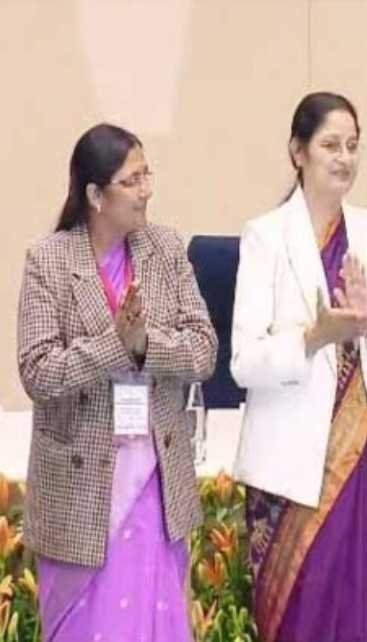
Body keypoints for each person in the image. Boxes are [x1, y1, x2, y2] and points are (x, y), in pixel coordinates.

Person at [230, 92, 367, 642]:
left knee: (358, 611)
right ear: (298, 152)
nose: (344, 158)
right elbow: (243, 361)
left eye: (352, 146)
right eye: (330, 146)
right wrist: (313, 338)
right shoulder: (266, 236)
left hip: (362, 460)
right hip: (290, 470)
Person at [17, 123, 218, 640]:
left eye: (147, 175)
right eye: (132, 180)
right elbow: (38, 371)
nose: (146, 190)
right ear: (95, 195)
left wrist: (145, 345)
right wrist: (114, 345)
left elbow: (203, 350)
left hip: (154, 481)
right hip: (80, 493)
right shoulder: (49, 260)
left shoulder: (164, 249)